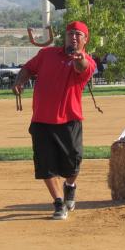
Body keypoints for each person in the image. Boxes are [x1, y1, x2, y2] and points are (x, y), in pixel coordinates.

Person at [12, 21, 96, 220]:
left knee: (73, 163)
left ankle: (69, 185)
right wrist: (20, 81)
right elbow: (28, 68)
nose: (73, 37)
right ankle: (59, 203)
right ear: (65, 37)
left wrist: (79, 58)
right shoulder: (46, 55)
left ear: (85, 39)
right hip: (41, 120)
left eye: (77, 34)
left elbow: (81, 68)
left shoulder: (88, 61)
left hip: (69, 120)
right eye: (70, 34)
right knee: (46, 164)